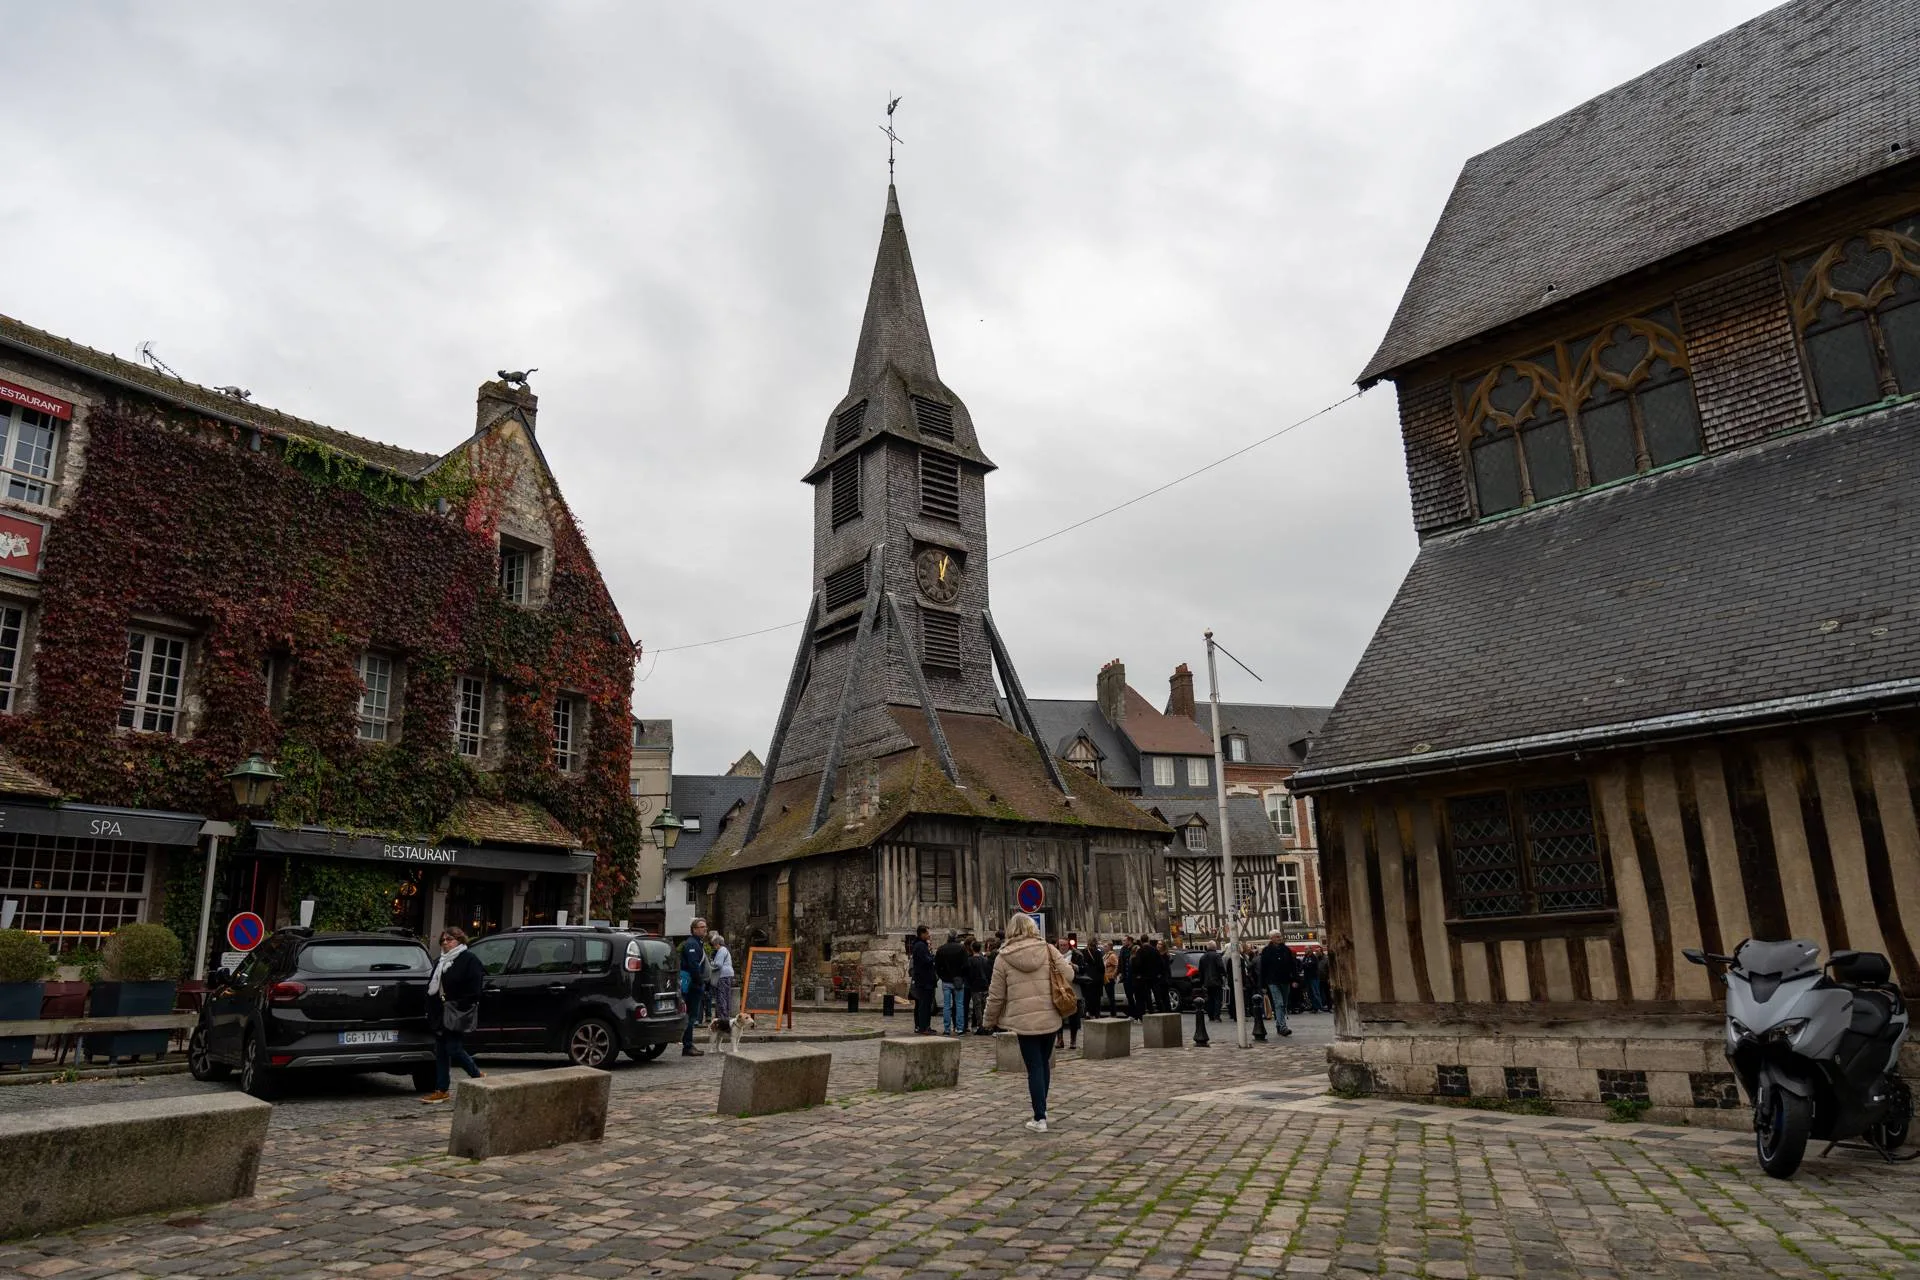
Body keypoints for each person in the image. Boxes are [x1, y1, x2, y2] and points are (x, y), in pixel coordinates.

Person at [984, 912, 1075, 1133]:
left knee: (1034, 1066)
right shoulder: (1048, 949)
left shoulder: (1003, 957)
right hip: (1050, 1016)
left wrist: (988, 1020)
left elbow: (996, 995)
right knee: (1043, 1064)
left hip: (1024, 1021)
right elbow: (1070, 975)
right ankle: (1041, 1109)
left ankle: (1039, 1117)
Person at [421, 926, 484, 1103]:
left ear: (460, 940)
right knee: (440, 1051)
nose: (445, 943)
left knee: (454, 1049)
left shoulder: (469, 960)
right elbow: (432, 987)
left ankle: (476, 1073)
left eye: (449, 940)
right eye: (443, 940)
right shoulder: (440, 961)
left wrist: (459, 1004)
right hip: (439, 1013)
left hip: (456, 1012)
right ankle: (441, 1089)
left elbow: (475, 989)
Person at [679, 918, 710, 1056]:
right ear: (694, 929)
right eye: (702, 927)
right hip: (692, 985)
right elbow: (693, 965)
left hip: (694, 984)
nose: (705, 929)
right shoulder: (692, 944)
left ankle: (688, 1044)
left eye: (705, 927)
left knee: (691, 1015)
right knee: (691, 1016)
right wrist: (699, 982)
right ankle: (688, 1045)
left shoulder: (698, 943)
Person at [1259, 933, 1298, 1037]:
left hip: (1285, 980)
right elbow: (1263, 968)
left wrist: (1294, 979)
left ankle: (1278, 1025)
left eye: (1280, 936)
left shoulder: (1286, 950)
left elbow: (1292, 965)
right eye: (1277, 936)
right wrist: (1263, 985)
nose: (1279, 938)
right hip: (1273, 981)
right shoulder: (1266, 951)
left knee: (1283, 1004)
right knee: (1279, 1003)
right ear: (1271, 938)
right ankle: (1282, 1026)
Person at [935, 930, 969, 1035]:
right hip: (958, 980)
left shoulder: (941, 949)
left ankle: (947, 1029)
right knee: (959, 1005)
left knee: (946, 1005)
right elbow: (966, 965)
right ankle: (959, 1028)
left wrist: (942, 976)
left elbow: (937, 966)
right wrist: (962, 977)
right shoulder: (961, 948)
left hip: (946, 980)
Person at [1052, 938, 1083, 1050]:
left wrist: (1075, 967)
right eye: (1061, 945)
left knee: (1073, 1016)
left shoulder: (1076, 955)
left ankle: (1073, 1040)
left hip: (1073, 988)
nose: (1063, 947)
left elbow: (1084, 969)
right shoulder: (1053, 956)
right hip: (1058, 988)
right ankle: (1060, 1039)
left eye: (1065, 945)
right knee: (1058, 1015)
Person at [908, 925, 938, 1034]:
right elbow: (926, 961)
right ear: (922, 934)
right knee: (924, 1005)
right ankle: (923, 1027)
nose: (929, 935)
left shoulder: (921, 945)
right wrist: (933, 958)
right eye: (927, 933)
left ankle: (926, 1026)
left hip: (926, 980)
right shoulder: (920, 946)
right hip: (924, 981)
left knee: (926, 1004)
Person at [1240, 941, 1268, 1040]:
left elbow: (1249, 967)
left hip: (1257, 981)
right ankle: (1266, 1013)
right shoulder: (1265, 959)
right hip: (1265, 981)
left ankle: (1261, 1013)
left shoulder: (1255, 959)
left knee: (1258, 998)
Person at [966, 939, 993, 1034]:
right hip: (984, 985)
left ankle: (981, 1025)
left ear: (972, 949)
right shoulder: (985, 960)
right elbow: (989, 973)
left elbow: (968, 974)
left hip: (975, 987)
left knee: (977, 1007)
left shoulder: (970, 960)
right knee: (984, 1006)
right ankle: (986, 1025)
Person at [1074, 937, 1103, 1020]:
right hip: (1096, 978)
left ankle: (1087, 1012)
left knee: (1087, 997)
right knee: (1096, 998)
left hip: (1086, 978)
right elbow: (1101, 966)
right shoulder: (1098, 953)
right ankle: (1096, 1014)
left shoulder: (1083, 952)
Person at [709, 933, 735, 1021]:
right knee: (726, 996)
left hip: (722, 975)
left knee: (722, 996)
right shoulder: (725, 950)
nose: (714, 947)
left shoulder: (721, 950)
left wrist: (710, 964)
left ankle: (722, 1016)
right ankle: (725, 1015)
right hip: (728, 975)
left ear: (717, 944)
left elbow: (718, 965)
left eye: (714, 945)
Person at [1117, 936, 1137, 1018]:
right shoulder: (1123, 950)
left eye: (1124, 940)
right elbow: (1120, 962)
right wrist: (1118, 972)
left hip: (1134, 976)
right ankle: (1132, 1014)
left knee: (1137, 996)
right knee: (1129, 996)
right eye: (1122, 940)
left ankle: (1137, 1014)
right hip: (1126, 976)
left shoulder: (1135, 948)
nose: (1123, 942)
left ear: (1130, 941)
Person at [1102, 940, 1120, 1016]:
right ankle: (1112, 1012)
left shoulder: (1112, 956)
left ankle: (1113, 1013)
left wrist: (1114, 974)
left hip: (1110, 978)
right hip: (1106, 978)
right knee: (1109, 996)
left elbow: (1117, 965)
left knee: (1111, 996)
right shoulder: (1106, 955)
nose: (1104, 948)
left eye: (1105, 946)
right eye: (1104, 946)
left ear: (1110, 947)